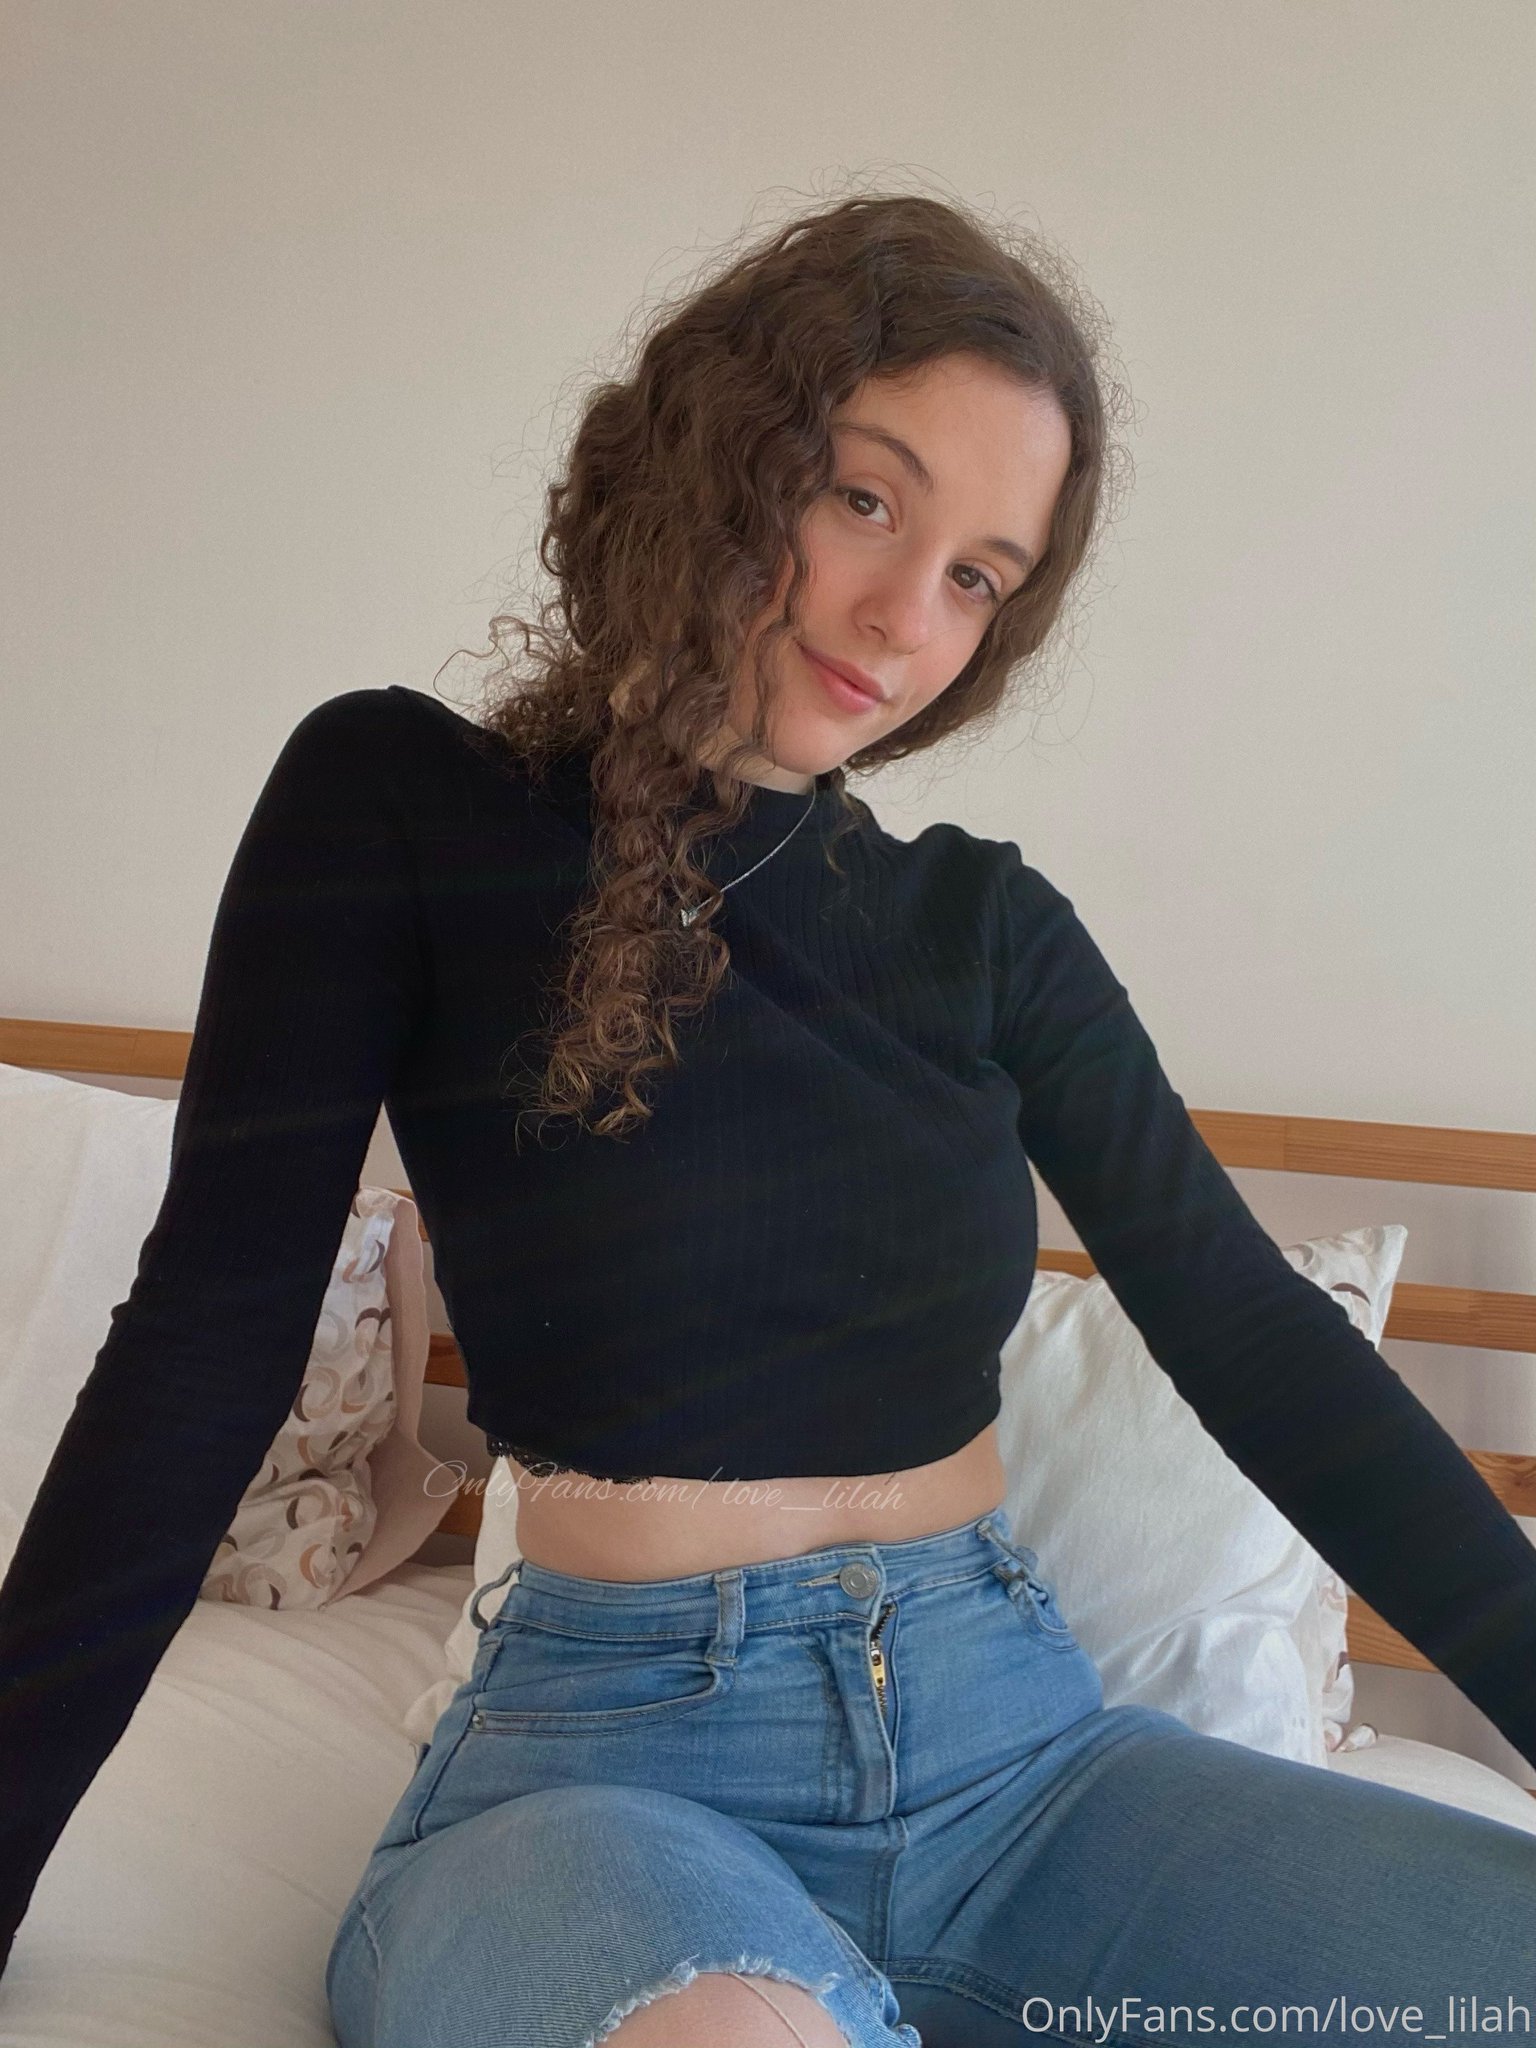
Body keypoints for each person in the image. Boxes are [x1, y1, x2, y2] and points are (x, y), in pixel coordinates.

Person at [2, 190, 1534, 2044]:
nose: (906, 617)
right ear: (725, 454)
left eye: (978, 576)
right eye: (868, 499)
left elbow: (1262, 1345)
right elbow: (205, 1344)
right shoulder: (400, 802)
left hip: (1023, 1764)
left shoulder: (984, 927)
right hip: (604, 1780)